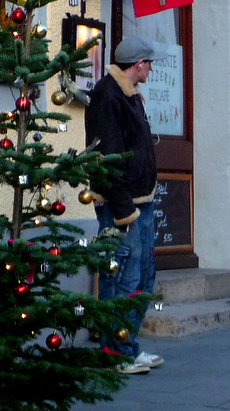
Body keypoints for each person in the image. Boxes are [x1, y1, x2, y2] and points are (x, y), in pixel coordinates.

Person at [85, 35, 169, 374]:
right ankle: (116, 351)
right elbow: (107, 157)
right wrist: (123, 210)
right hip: (124, 207)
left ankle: (126, 346)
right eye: (149, 63)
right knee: (123, 278)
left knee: (144, 278)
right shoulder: (108, 96)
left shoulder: (128, 94)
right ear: (138, 64)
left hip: (141, 202)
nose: (151, 69)